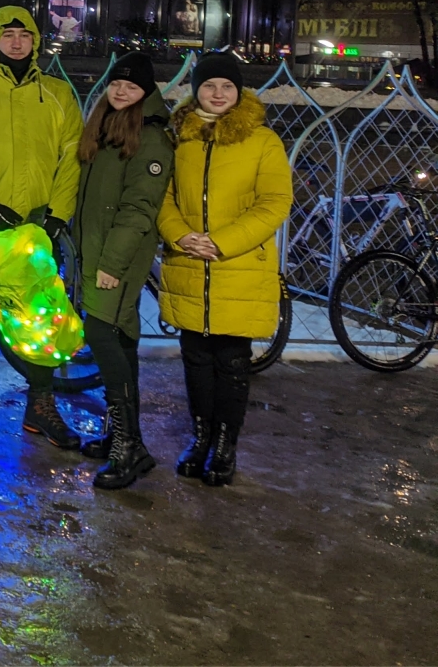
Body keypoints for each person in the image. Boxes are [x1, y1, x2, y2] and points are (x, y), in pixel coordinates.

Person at [158, 51, 290, 487]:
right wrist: (181, 235)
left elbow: (274, 202)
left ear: (239, 92)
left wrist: (223, 241)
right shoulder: (182, 138)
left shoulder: (262, 140)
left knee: (232, 361)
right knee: (195, 357)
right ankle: (200, 438)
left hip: (238, 265)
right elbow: (164, 197)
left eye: (227, 86)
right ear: (196, 90)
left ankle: (225, 445)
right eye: (209, 86)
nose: (217, 94)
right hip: (189, 263)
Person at [0, 6, 84, 449]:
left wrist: (57, 214)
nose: (16, 42)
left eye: (24, 34)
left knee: (41, 317)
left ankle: (41, 404)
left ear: (35, 41)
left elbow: (71, 157)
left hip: (35, 228)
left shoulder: (58, 93)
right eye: (7, 34)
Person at [72, 52, 174, 490]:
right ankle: (126, 437)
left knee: (100, 333)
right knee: (120, 338)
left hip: (117, 258)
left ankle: (127, 445)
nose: (121, 91)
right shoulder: (107, 125)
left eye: (131, 87)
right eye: (116, 83)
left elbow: (139, 209)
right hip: (95, 251)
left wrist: (112, 264)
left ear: (146, 93)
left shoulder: (151, 138)